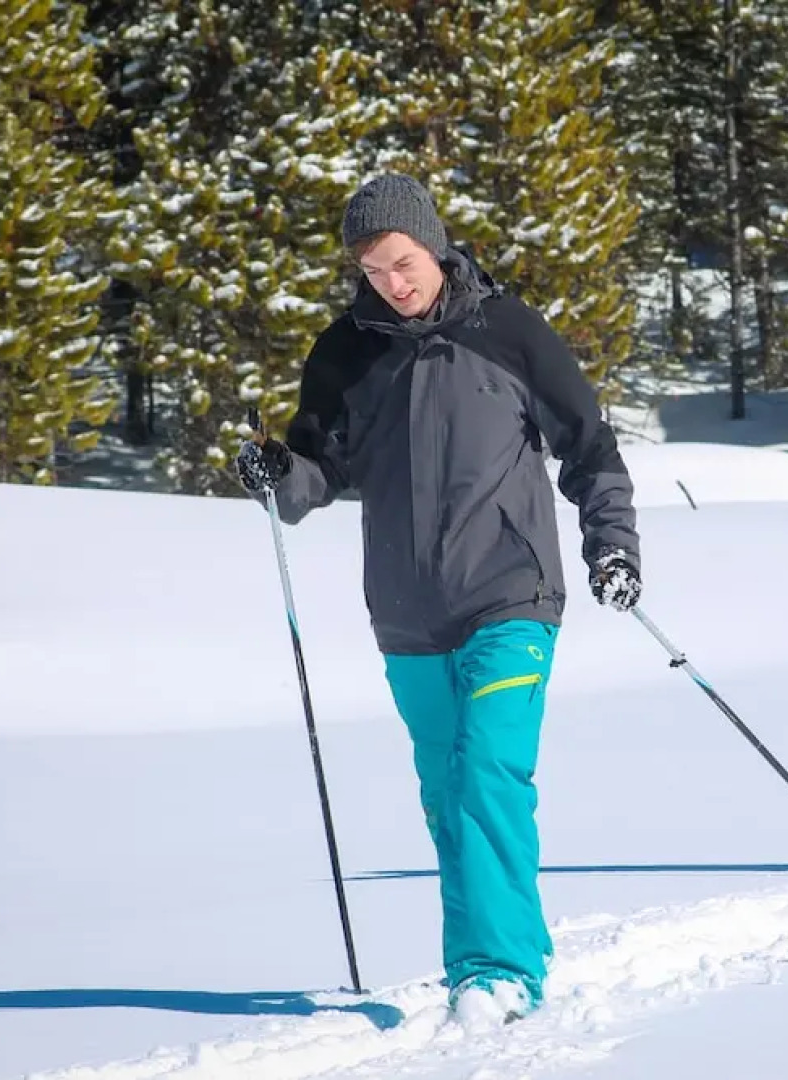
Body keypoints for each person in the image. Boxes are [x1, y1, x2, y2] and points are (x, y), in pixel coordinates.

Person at [233, 172, 642, 1021]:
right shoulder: (345, 353)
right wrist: (278, 476)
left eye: (404, 261)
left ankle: (494, 971)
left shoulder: (510, 332)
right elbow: (319, 471)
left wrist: (613, 546)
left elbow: (591, 449)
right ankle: (499, 957)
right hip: (407, 612)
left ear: (436, 246)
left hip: (511, 591)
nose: (393, 281)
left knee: (488, 772)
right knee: (445, 789)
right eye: (374, 269)